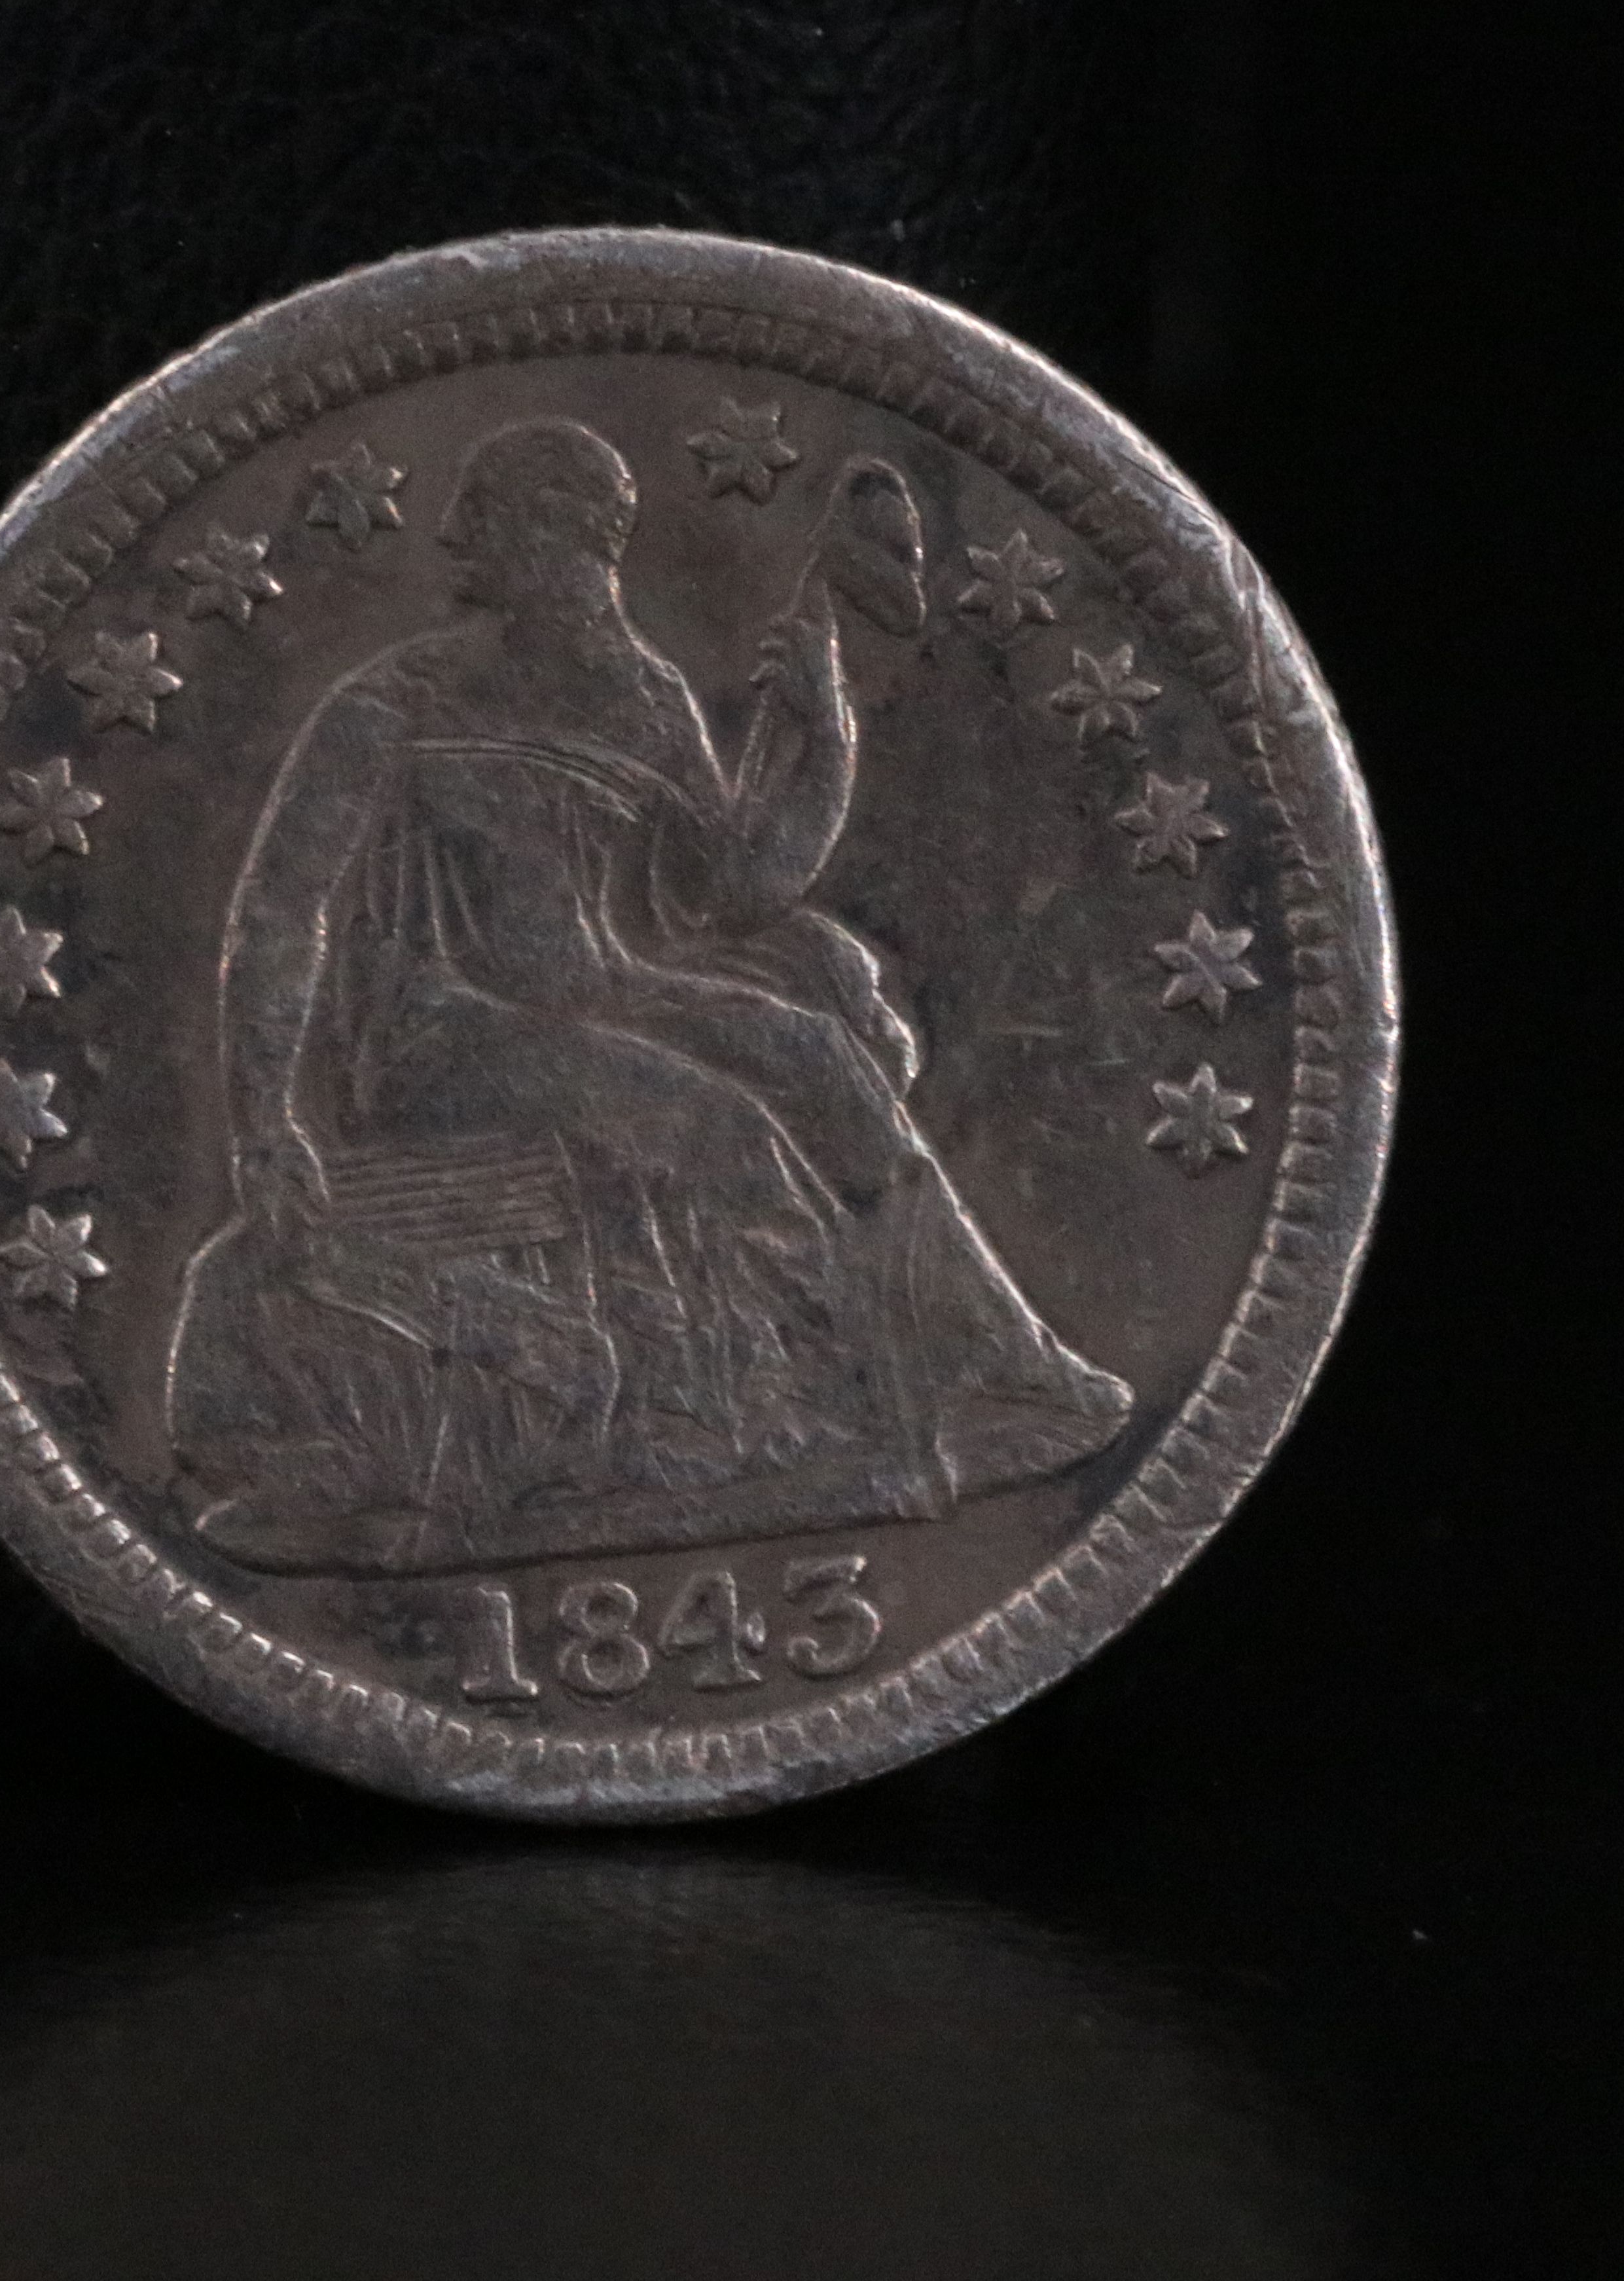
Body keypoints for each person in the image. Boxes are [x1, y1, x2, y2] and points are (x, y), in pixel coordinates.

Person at [162, 416, 1130, 1575]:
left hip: (603, 994)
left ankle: (993, 1359)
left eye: (488, 517)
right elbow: (282, 909)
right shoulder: (398, 697)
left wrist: (822, 729)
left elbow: (739, 888)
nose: (460, 540)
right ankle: (766, 1422)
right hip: (443, 1034)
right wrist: (266, 1117)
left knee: (816, 1055)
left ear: (559, 534)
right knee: (716, 1122)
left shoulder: (642, 695)